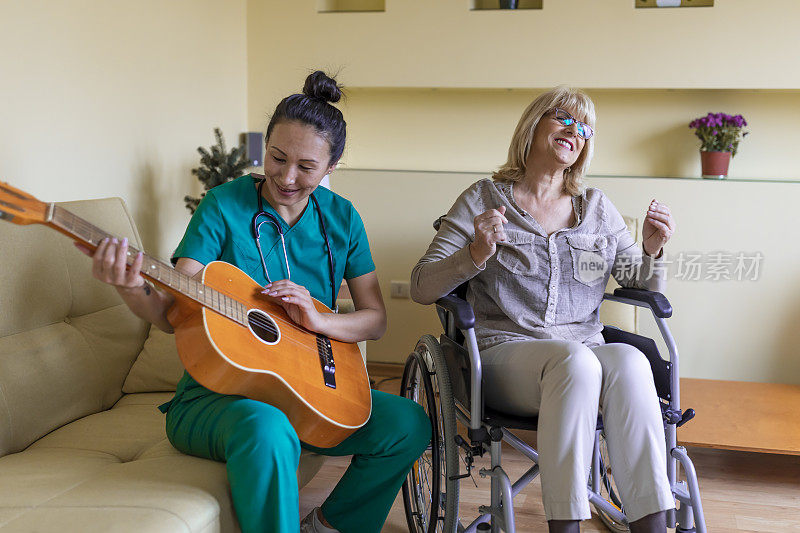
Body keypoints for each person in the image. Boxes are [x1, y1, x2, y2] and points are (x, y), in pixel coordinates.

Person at [78, 71, 431, 533]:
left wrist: (319, 318)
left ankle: (330, 525)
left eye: (306, 167)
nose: (286, 177)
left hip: (309, 394)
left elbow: (375, 320)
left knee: (408, 423)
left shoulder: (344, 219)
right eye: (277, 157)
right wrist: (129, 285)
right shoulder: (223, 205)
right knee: (267, 427)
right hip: (216, 400)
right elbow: (169, 315)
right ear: (263, 147)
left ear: (331, 168)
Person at [410, 86, 676, 533]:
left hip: (583, 350)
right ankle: (566, 524)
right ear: (533, 125)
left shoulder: (596, 208)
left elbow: (636, 279)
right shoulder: (483, 198)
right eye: (563, 118)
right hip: (505, 353)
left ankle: (651, 524)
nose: (575, 130)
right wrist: (474, 253)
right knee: (574, 363)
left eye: (584, 126)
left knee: (630, 360)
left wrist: (653, 249)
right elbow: (422, 284)